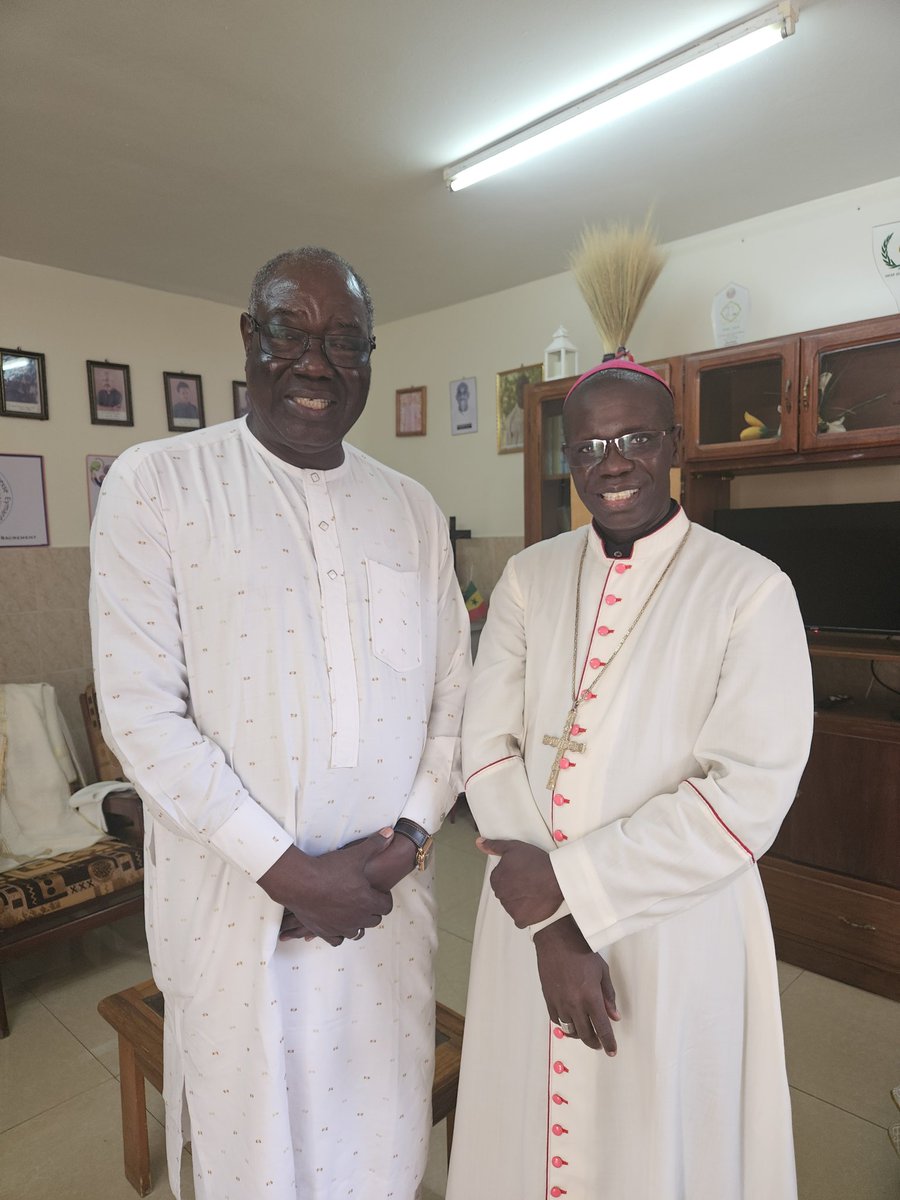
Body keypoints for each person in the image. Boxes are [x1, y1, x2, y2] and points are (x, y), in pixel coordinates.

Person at [90, 247, 471, 1199]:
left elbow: (455, 700)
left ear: (370, 358)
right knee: (254, 1160)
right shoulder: (156, 486)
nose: (316, 362)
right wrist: (289, 871)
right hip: (237, 920)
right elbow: (142, 717)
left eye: (343, 341)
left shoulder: (414, 511)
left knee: (382, 1150)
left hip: (385, 913)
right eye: (289, 334)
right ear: (248, 340)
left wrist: (407, 844)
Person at [446, 358, 814, 1200]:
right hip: (527, 915)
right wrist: (549, 924)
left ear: (675, 446)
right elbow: (486, 745)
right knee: (525, 1125)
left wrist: (568, 888)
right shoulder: (530, 578)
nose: (613, 463)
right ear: (569, 460)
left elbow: (745, 797)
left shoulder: (751, 589)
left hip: (674, 923)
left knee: (660, 1132)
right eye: (589, 447)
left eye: (636, 439)